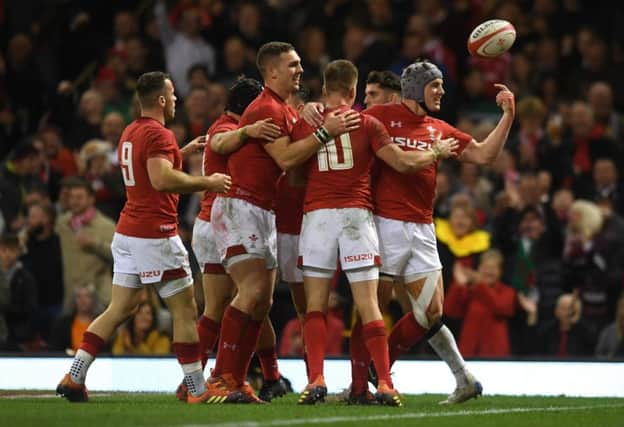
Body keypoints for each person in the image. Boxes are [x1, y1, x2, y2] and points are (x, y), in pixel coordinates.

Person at [56, 71, 232, 404]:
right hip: (156, 234)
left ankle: (75, 375)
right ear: (162, 100)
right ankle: (197, 389)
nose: (177, 99)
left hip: (127, 233)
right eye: (174, 93)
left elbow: (149, 169)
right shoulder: (159, 134)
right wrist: (207, 182)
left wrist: (180, 151)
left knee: (120, 307)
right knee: (184, 311)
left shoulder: (132, 131)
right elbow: (162, 180)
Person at [293, 59, 457, 406]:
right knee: (370, 305)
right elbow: (400, 163)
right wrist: (435, 153)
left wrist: (311, 118)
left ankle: (315, 381)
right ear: (353, 91)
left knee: (316, 306)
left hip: (318, 217)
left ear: (324, 89)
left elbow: (289, 165)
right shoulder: (367, 123)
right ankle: (383, 382)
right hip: (357, 215)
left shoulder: (305, 122)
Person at [206, 41, 359, 404]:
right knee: (253, 292)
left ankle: (238, 379)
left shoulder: (286, 111)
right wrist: (326, 132)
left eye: (300, 64)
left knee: (262, 303)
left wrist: (314, 118)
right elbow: (288, 159)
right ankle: (219, 377)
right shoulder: (265, 109)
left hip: (263, 211)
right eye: (293, 65)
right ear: (271, 71)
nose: (300, 71)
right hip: (239, 206)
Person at [363, 60, 515, 404]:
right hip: (384, 223)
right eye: (436, 85)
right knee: (374, 305)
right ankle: (363, 382)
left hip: (422, 227)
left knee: (429, 314)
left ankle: (387, 367)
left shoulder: (438, 128)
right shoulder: (381, 117)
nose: (442, 91)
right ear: (417, 87)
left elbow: (485, 155)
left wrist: (507, 116)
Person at [180, 77, 287, 402]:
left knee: (250, 302)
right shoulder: (225, 128)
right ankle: (212, 379)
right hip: (223, 221)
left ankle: (217, 381)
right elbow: (220, 144)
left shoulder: (225, 125)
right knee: (239, 301)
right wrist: (248, 131)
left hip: (213, 222)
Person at [55, 177, 116, 312]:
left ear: (91, 199)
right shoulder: (62, 223)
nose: (74, 201)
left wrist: (95, 244)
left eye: (79, 197)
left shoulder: (106, 226)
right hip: (71, 299)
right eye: (72, 197)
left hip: (99, 298)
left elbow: (120, 256)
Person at [445, 250, 516, 357]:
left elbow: (501, 307)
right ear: (479, 268)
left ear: (500, 271)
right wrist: (458, 284)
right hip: (468, 353)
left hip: (496, 355)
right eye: (485, 267)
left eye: (493, 268)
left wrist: (480, 283)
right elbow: (449, 310)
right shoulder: (471, 291)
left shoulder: (507, 292)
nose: (488, 272)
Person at [0, 233, 38, 350]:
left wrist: (6, 308)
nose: (7, 254)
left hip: (17, 335)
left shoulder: (26, 278)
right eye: (3, 250)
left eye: (11, 250)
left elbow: (30, 308)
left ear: (18, 252)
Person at [49, 287, 101, 354]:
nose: (83, 300)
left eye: (87, 296)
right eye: (79, 296)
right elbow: (55, 349)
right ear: (74, 300)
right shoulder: (62, 323)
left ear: (94, 300)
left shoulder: (101, 323)